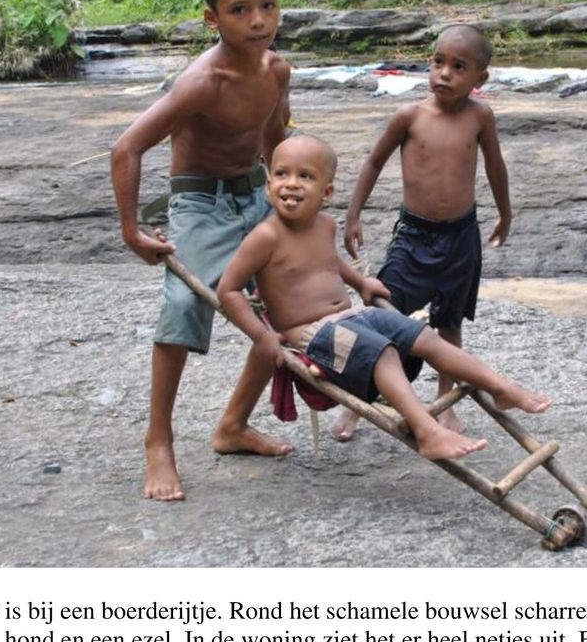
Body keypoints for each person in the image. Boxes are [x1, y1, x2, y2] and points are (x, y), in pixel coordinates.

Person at [217, 135, 549, 464]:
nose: (291, 184)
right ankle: (426, 431)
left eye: (305, 176)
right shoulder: (265, 236)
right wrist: (262, 336)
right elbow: (229, 290)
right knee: (383, 352)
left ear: (327, 192)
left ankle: (499, 387)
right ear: (267, 184)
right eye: (282, 174)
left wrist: (361, 282)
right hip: (309, 335)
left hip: (351, 317)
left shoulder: (325, 225)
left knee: (423, 336)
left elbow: (328, 263)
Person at [110, 0, 292, 502]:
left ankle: (232, 425)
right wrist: (131, 231)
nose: (257, 21)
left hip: (253, 194)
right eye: (239, 10)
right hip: (199, 204)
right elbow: (127, 148)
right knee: (186, 307)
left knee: (288, 307)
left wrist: (287, 197)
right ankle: (158, 440)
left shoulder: (277, 70)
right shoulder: (201, 82)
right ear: (212, 19)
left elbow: (275, 137)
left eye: (267, 6)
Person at [335, 23, 510, 441]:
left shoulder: (480, 116)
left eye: (458, 67)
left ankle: (444, 405)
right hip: (414, 237)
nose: (444, 74)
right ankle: (355, 404)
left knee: (448, 323)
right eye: (437, 62)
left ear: (479, 79)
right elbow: (375, 161)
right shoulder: (409, 116)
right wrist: (353, 214)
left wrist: (505, 213)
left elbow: (494, 166)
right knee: (379, 312)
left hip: (461, 239)